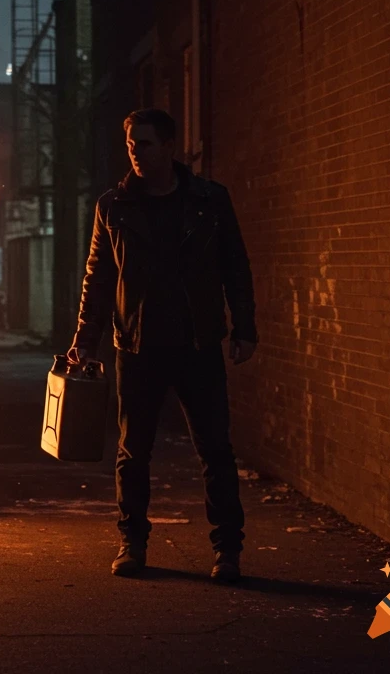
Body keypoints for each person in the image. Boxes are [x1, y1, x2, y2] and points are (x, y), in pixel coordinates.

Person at [67, 108, 257, 583]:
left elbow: (235, 265)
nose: (135, 151)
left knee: (215, 449)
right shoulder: (113, 206)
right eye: (131, 143)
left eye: (145, 143)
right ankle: (132, 543)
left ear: (170, 146)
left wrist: (245, 327)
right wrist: (84, 340)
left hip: (197, 344)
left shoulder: (209, 200)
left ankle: (227, 552)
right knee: (133, 452)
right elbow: (98, 276)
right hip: (137, 346)